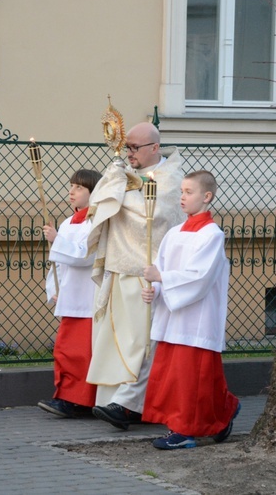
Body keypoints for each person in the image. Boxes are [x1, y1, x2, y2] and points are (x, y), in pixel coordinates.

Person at [86, 122, 184, 430]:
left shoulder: (172, 178)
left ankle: (129, 404)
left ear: (154, 148)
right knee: (115, 340)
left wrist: (120, 188)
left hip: (149, 271)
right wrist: (118, 181)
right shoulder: (122, 171)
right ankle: (114, 402)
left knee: (142, 340)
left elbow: (150, 217)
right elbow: (99, 201)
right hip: (119, 266)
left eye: (134, 148)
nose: (128, 154)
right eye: (126, 147)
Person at [141, 170, 240, 449]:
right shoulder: (173, 233)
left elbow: (200, 276)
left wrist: (162, 279)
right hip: (173, 314)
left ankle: (184, 432)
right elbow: (162, 268)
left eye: (189, 192)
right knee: (179, 376)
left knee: (192, 378)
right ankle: (224, 410)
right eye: (181, 191)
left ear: (206, 197)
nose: (182, 197)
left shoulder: (212, 235)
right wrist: (155, 289)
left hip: (197, 318)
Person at [37, 168, 103, 418]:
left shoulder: (96, 221)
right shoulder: (68, 221)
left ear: (93, 193)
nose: (72, 191)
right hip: (70, 295)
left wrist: (57, 241)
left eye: (79, 188)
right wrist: (55, 289)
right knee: (64, 350)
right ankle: (66, 396)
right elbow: (58, 264)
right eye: (71, 186)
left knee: (81, 352)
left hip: (87, 297)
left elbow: (88, 255)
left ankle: (79, 401)